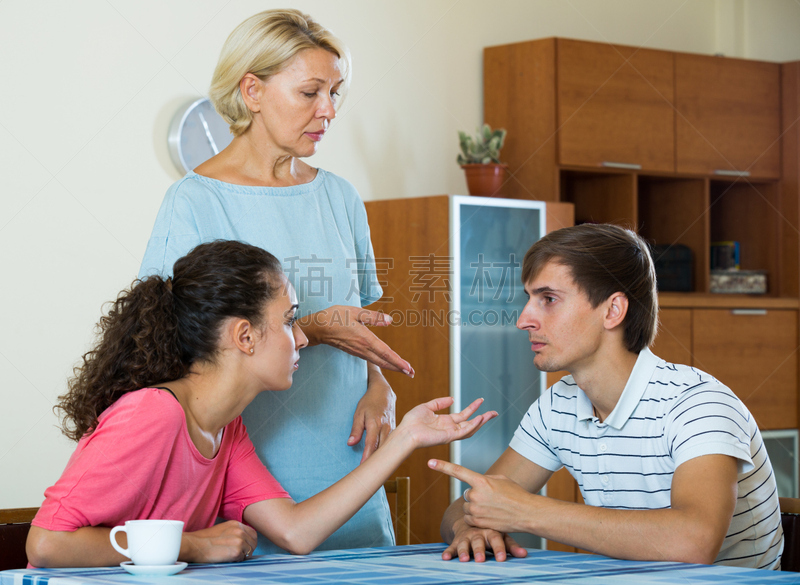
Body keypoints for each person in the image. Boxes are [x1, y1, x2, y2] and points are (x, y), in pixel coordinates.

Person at [26, 240, 496, 568]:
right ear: (244, 336)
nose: (300, 337)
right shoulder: (153, 413)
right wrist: (189, 546)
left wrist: (407, 436)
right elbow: (47, 544)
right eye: (290, 320)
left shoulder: (226, 427)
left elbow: (296, 532)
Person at [139, 10, 410, 553]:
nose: (328, 110)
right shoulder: (195, 202)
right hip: (252, 485)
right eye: (310, 92)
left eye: (335, 92)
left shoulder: (341, 198)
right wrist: (314, 328)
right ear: (253, 90)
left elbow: (363, 324)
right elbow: (172, 354)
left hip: (353, 476)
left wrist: (380, 388)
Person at [432, 223, 784, 570]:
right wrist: (468, 527)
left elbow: (694, 542)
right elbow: (475, 501)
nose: (524, 319)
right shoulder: (558, 405)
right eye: (529, 299)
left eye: (549, 299)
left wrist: (525, 512)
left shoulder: (699, 404)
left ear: (612, 310)